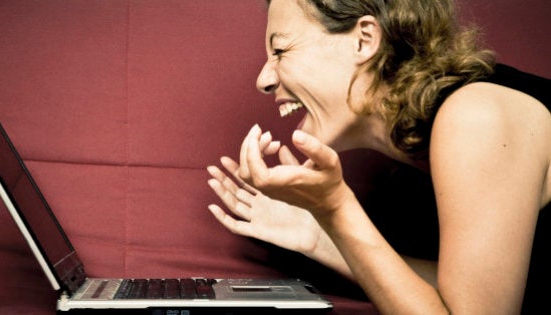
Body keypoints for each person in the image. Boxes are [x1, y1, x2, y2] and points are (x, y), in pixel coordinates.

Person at [206, 0, 550, 314]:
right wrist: (318, 234)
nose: (263, 80)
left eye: (280, 50)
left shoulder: (475, 115)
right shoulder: (430, 136)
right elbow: (458, 296)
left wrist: (336, 209)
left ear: (364, 39)